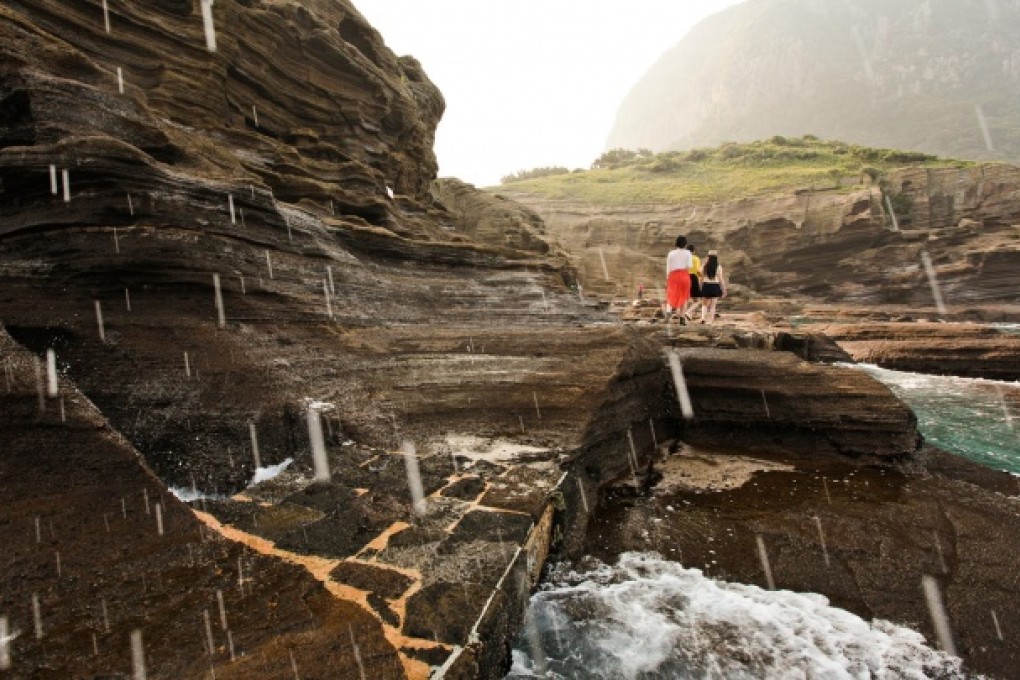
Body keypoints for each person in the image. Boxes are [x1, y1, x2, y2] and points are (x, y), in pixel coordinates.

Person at [665, 235, 692, 322]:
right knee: (684, 296)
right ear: (685, 244)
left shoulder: (671, 253)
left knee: (671, 294)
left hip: (673, 275)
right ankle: (682, 317)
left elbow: (668, 267)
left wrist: (668, 276)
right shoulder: (688, 253)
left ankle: (668, 312)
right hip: (684, 275)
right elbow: (689, 266)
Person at [699, 250, 727, 324]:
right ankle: (710, 321)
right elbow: (721, 279)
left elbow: (701, 277)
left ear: (708, 257)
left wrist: (700, 286)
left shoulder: (704, 266)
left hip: (706, 285)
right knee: (713, 305)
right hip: (715, 286)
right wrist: (723, 289)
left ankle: (703, 318)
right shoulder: (718, 267)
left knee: (704, 304)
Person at [682, 244, 702, 320]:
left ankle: (685, 315)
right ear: (693, 251)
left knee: (685, 299)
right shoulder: (695, 258)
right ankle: (688, 312)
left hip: (684, 277)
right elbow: (698, 270)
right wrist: (702, 276)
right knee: (697, 300)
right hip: (693, 278)